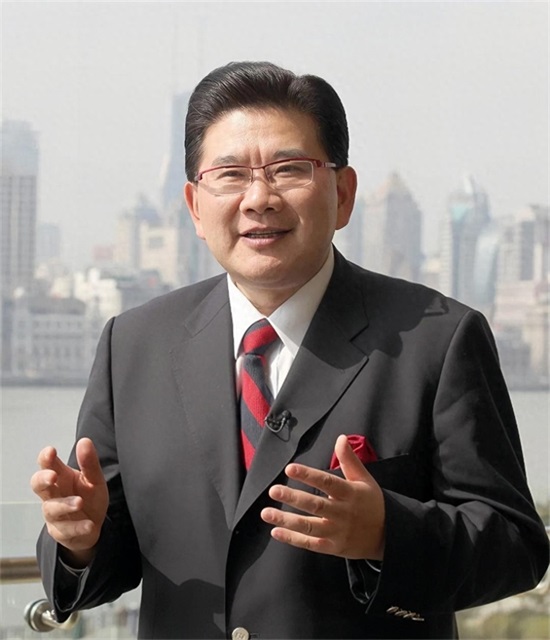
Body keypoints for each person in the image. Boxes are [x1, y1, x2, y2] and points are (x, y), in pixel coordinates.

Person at [31, 61, 548, 640]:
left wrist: (387, 533)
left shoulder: (437, 339)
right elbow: (105, 558)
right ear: (195, 206)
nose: (259, 198)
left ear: (343, 194)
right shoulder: (134, 344)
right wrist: (78, 541)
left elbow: (515, 544)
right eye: (230, 174)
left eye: (289, 170)